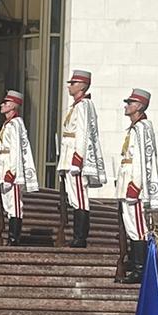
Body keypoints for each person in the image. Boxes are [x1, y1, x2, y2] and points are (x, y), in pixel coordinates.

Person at [115, 88, 158, 283]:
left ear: (140, 106)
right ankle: (136, 266)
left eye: (130, 103)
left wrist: (136, 184)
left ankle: (140, 268)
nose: (126, 106)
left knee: (138, 227)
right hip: (127, 182)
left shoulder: (142, 128)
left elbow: (144, 160)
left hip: (134, 185)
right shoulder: (134, 128)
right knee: (131, 226)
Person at [58, 68, 104, 248]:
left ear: (82, 86)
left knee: (79, 197)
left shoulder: (83, 105)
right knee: (74, 196)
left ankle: (80, 236)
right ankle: (78, 235)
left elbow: (83, 133)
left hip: (75, 157)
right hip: (69, 155)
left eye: (73, 83)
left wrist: (77, 159)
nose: (69, 86)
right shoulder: (77, 105)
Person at [0, 89, 38, 246]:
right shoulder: (8, 124)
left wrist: (12, 172)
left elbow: (16, 150)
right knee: (8, 204)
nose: (2, 104)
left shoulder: (15, 125)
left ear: (13, 105)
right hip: (4, 167)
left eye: (5, 102)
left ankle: (14, 237)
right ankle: (11, 235)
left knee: (15, 205)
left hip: (12, 170)